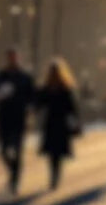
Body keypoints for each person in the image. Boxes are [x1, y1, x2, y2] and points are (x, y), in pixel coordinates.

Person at [0, 48, 36, 194]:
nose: (12, 60)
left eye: (14, 57)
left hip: (20, 117)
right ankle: (13, 170)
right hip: (4, 117)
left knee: (18, 149)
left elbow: (32, 95)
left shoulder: (25, 77)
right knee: (3, 150)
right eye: (10, 57)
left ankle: (15, 181)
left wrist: (30, 106)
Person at [35, 57, 81, 190]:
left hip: (61, 124)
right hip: (50, 123)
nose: (54, 74)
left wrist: (75, 123)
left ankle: (55, 177)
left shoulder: (65, 88)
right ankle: (53, 176)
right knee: (51, 153)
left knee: (58, 153)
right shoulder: (46, 88)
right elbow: (39, 103)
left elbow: (72, 107)